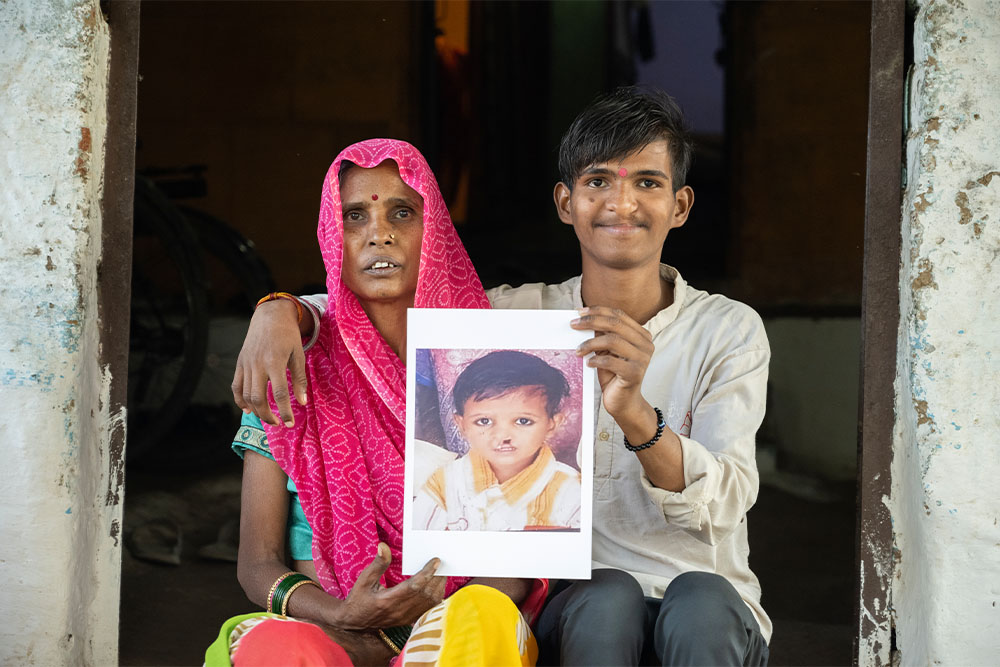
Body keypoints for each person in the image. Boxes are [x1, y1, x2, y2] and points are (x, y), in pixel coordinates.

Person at [233, 88, 771, 666]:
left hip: (700, 591)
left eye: (646, 182)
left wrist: (634, 410)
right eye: (598, 182)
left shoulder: (727, 330)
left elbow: (729, 500)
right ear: (565, 202)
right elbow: (381, 311)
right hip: (584, 595)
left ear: (681, 205)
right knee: (607, 598)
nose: (621, 202)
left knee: (701, 602)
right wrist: (281, 308)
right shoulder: (513, 317)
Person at [211, 139, 541, 667]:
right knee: (276, 648)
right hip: (328, 630)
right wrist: (341, 617)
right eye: (354, 215)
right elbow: (257, 564)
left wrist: (429, 627)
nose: (378, 234)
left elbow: (522, 551)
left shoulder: (492, 362)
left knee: (481, 619)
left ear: (433, 230)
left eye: (402, 213)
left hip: (453, 630)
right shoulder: (291, 367)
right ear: (329, 233)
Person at [413, 349, 582, 532]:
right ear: (461, 425)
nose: (502, 436)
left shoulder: (571, 490)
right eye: (484, 421)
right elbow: (422, 543)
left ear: (552, 424)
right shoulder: (444, 483)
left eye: (523, 421)